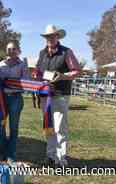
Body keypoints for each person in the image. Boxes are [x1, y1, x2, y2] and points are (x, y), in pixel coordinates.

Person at [34, 24, 81, 167]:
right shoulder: (42, 53)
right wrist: (36, 75)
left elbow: (77, 70)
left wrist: (63, 76)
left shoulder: (66, 52)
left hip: (60, 94)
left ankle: (61, 159)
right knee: (49, 126)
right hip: (45, 95)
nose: (50, 38)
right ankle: (50, 156)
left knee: (60, 127)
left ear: (57, 37)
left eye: (52, 36)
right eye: (48, 36)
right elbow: (38, 70)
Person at [0, 41, 29, 163]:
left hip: (16, 98)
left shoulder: (22, 65)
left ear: (18, 50)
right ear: (6, 51)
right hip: (1, 98)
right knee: (0, 126)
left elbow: (26, 81)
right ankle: (3, 151)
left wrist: (13, 81)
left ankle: (11, 154)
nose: (11, 51)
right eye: (9, 49)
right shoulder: (1, 64)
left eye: (14, 49)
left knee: (13, 128)